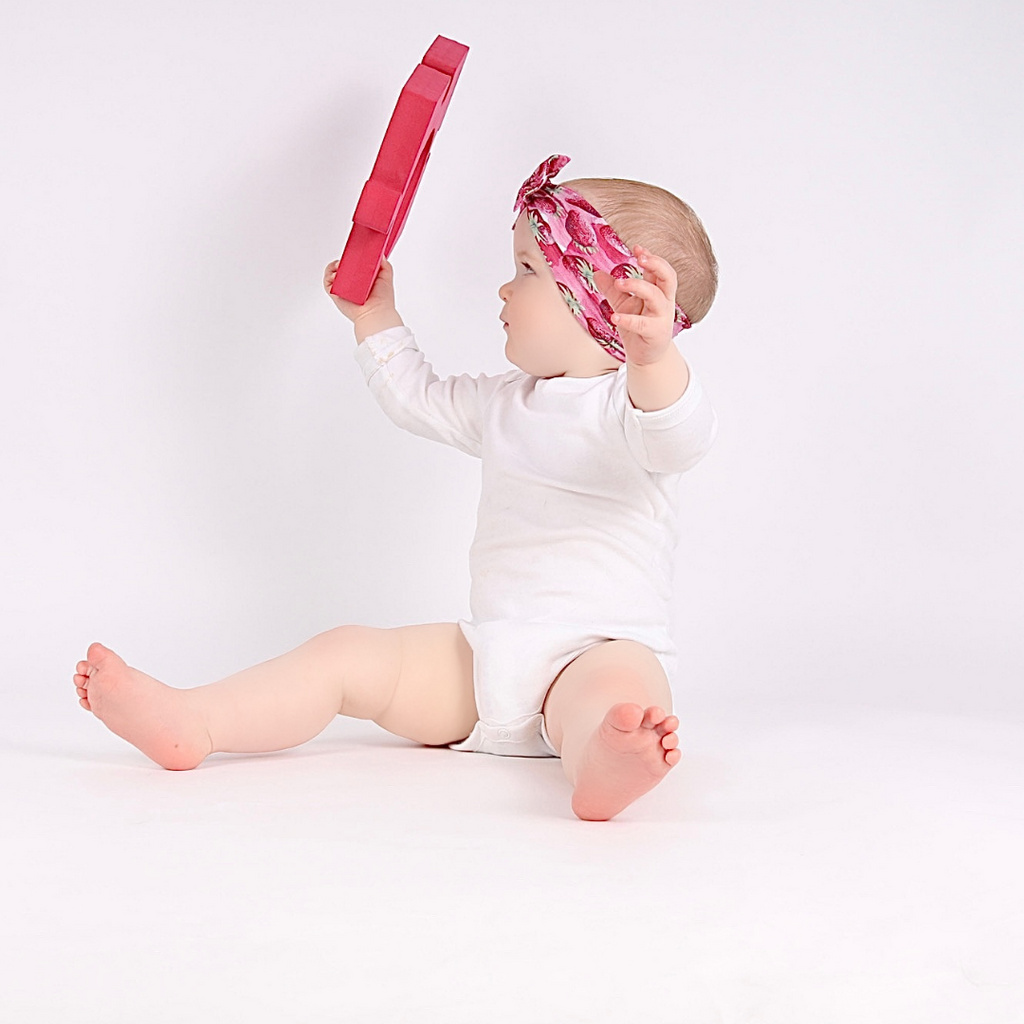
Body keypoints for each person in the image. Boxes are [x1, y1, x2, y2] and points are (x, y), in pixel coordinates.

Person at [72, 154, 719, 821]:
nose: (504, 290)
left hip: (597, 651)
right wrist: (374, 317)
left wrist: (657, 360)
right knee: (346, 654)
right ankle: (195, 721)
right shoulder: (505, 404)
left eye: (528, 270)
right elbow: (417, 397)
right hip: (485, 660)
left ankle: (605, 759)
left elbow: (681, 436)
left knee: (619, 696)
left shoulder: (635, 411)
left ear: (609, 305)